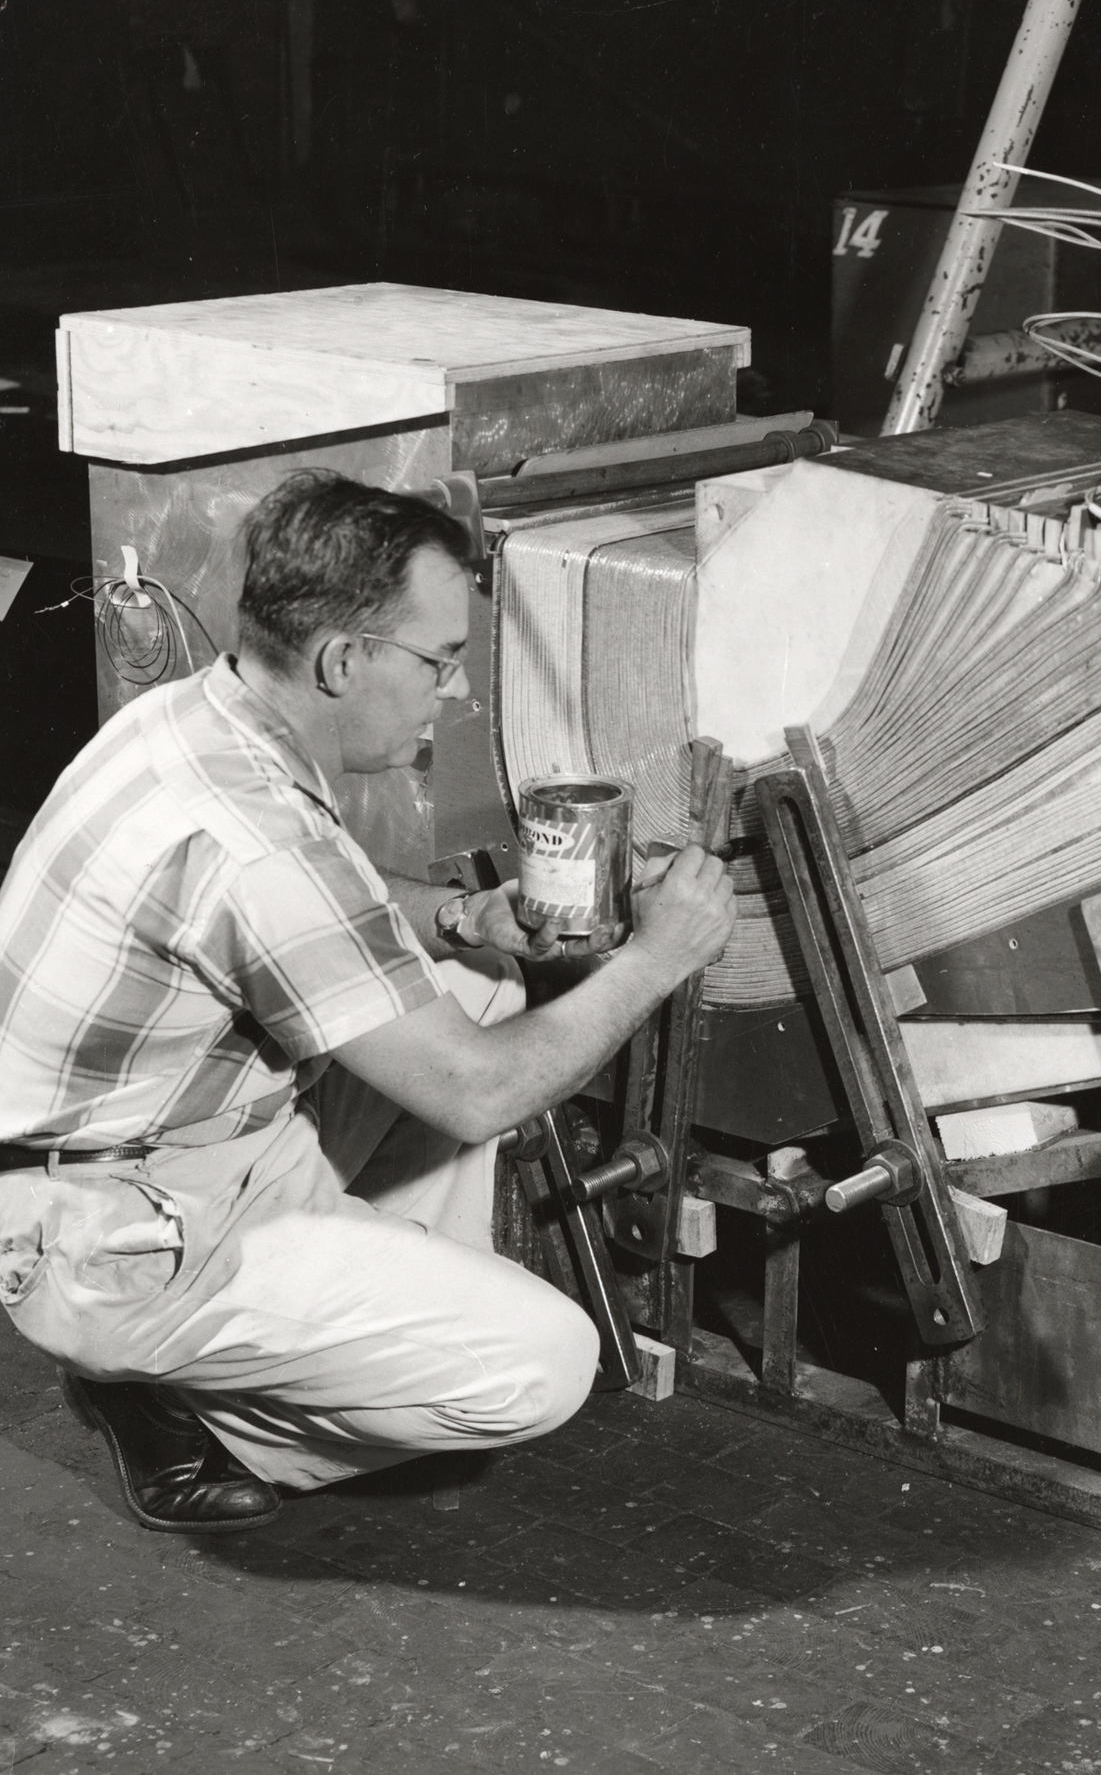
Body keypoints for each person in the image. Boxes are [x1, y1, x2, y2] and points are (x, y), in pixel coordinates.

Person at [0, 469, 735, 1533]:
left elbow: (319, 900)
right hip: (120, 1238)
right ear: (344, 659)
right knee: (541, 1365)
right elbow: (480, 1097)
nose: (448, 691)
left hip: (150, 1154)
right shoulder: (255, 839)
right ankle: (193, 1409)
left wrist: (463, 921)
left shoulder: (191, 719)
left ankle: (341, 1306)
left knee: (477, 983)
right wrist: (658, 957)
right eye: (438, 662)